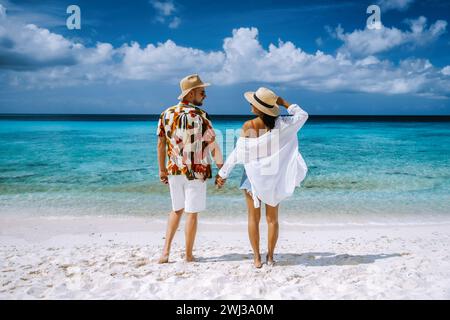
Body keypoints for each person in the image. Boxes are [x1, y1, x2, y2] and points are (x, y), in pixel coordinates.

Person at [215, 87, 308, 268]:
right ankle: (271, 257)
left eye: (254, 103)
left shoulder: (249, 125)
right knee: (272, 219)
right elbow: (303, 115)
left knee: (253, 218)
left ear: (259, 108)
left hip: (251, 176)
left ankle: (257, 258)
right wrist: (283, 102)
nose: (251, 104)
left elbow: (237, 153)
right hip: (273, 175)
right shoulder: (284, 124)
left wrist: (223, 173)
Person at [157, 74, 223, 263]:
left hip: (173, 170)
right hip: (196, 171)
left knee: (176, 210)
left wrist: (162, 170)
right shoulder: (201, 116)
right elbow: (213, 145)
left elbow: (161, 144)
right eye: (202, 92)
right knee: (191, 213)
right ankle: (188, 255)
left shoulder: (166, 114)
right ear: (191, 93)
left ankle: (165, 253)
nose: (205, 96)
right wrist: (222, 170)